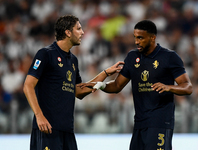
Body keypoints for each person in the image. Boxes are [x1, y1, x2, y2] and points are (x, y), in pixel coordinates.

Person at [79, 20, 193, 150]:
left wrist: (169, 87)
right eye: (135, 37)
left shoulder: (169, 57)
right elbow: (117, 85)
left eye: (140, 38)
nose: (136, 42)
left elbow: (188, 87)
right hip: (139, 123)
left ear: (152, 37)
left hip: (160, 122)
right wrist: (102, 85)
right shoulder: (132, 57)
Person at [23, 15, 124, 150]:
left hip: (67, 131)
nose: (82, 32)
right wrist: (39, 116)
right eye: (79, 29)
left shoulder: (73, 60)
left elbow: (79, 91)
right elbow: (28, 86)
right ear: (68, 32)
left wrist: (105, 73)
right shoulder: (45, 54)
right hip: (47, 129)